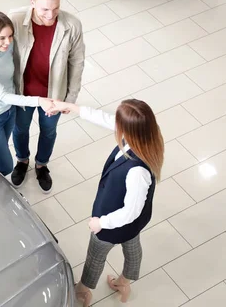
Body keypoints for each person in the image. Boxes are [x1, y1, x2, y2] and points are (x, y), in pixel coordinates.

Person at [48, 99, 164, 305]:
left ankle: (83, 292)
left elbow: (129, 212)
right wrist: (72, 108)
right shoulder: (146, 136)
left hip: (114, 220)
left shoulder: (137, 171)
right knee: (132, 247)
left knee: (95, 256)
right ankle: (124, 283)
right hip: (132, 223)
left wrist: (101, 223)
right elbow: (105, 119)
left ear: (129, 130)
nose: (115, 125)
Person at [9, 0, 86, 193]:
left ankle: (42, 165)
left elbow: (77, 63)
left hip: (54, 96)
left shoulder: (72, 25)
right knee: (20, 129)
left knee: (49, 131)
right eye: (44, 10)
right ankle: (22, 161)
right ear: (32, 2)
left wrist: (70, 100)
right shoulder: (14, 20)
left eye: (55, 8)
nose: (50, 15)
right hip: (23, 94)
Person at [0, 11, 55, 177]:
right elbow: (3, 95)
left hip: (9, 112)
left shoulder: (8, 48)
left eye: (10, 36)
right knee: (6, 166)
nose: (8, 42)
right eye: (2, 38)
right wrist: (40, 101)